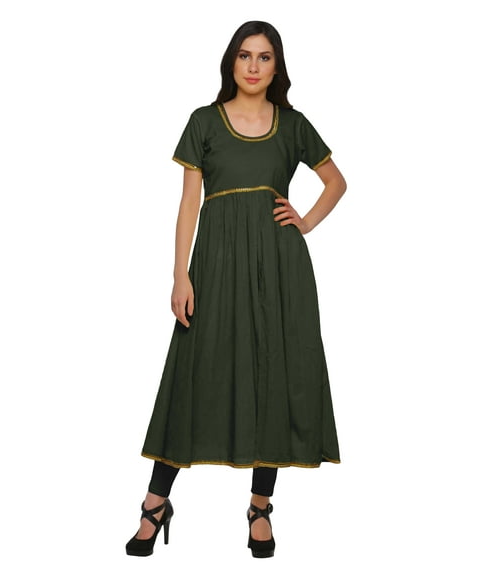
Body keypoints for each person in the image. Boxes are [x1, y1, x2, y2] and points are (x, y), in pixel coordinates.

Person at [126, 20, 347, 559]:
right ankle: (155, 504)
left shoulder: (293, 125)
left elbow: (336, 181)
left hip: (280, 265)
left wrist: (305, 221)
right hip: (216, 264)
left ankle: (260, 508)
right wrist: (180, 274)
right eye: (245, 55)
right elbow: (188, 203)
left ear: (277, 66)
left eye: (264, 57)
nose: (253, 65)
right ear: (231, 61)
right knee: (192, 373)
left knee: (275, 373)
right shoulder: (204, 121)